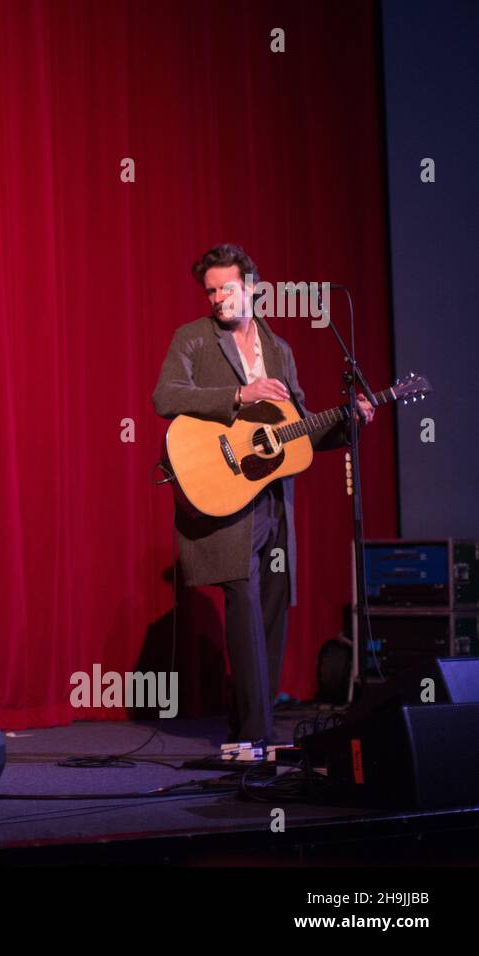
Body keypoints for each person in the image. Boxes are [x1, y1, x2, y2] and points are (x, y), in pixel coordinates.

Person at [152, 245, 374, 746]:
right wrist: (238, 396)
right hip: (228, 498)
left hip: (275, 498)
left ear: (252, 285)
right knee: (245, 601)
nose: (217, 298)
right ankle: (255, 739)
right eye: (210, 290)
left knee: (274, 607)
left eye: (226, 287)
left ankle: (251, 730)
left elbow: (300, 430)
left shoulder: (279, 349)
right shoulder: (193, 339)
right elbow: (166, 396)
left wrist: (348, 421)